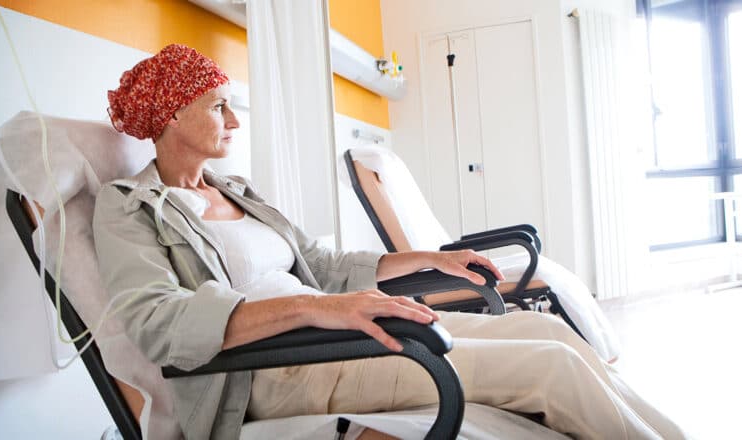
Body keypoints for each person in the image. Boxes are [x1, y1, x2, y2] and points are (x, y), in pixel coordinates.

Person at [94, 44, 685, 440]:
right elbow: (157, 321)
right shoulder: (127, 206)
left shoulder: (239, 191)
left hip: (338, 333)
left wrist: (431, 258)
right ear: (171, 115)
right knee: (550, 369)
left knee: (553, 331)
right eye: (219, 106)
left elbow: (321, 263)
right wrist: (316, 308)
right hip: (275, 370)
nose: (234, 121)